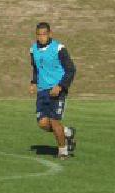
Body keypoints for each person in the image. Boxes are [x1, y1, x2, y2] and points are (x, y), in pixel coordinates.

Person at [30, 22, 77, 159]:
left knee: (55, 122)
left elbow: (71, 70)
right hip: (42, 91)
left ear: (50, 34)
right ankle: (67, 132)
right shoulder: (33, 49)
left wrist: (60, 86)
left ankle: (63, 152)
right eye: (39, 34)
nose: (41, 37)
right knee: (43, 124)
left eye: (44, 34)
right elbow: (36, 68)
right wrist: (34, 82)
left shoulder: (59, 48)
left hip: (57, 90)